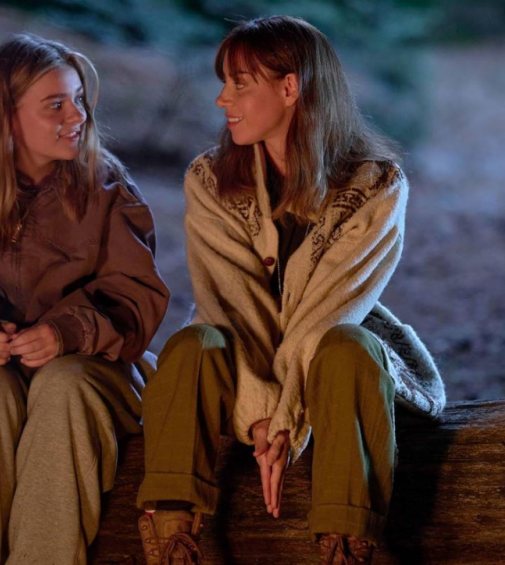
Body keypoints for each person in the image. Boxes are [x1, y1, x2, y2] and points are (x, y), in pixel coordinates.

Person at [135, 16, 444, 564]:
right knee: (191, 345)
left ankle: (347, 545)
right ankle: (173, 538)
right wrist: (260, 414)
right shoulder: (210, 180)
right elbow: (231, 305)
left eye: (239, 84)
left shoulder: (376, 184)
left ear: (290, 87)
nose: (222, 99)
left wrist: (286, 422)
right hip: (245, 363)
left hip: (332, 369)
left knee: (347, 345)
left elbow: (326, 313)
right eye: (224, 83)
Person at [0, 34, 169, 565]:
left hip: (91, 367)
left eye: (79, 99)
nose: (78, 115)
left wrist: (68, 332)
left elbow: (135, 295)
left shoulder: (108, 191)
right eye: (55, 105)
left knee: (63, 387)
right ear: (5, 117)